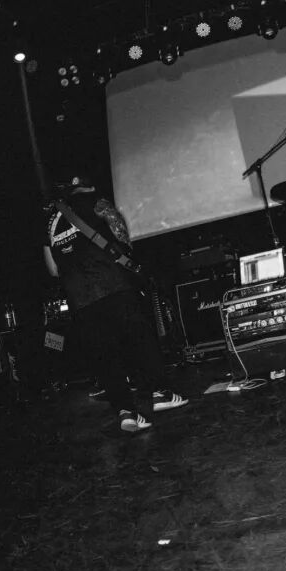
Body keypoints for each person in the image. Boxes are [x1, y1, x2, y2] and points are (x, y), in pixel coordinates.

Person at [44, 175, 188, 434]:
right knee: (140, 340)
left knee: (105, 356)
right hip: (112, 285)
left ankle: (126, 412)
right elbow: (121, 237)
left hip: (80, 298)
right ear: (88, 184)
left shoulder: (50, 220)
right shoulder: (97, 202)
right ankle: (161, 394)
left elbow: (54, 270)